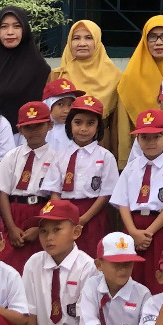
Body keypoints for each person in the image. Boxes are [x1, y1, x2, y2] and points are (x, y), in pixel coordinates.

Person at [5, 199, 96, 325]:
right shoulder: (34, 263)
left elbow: (90, 316)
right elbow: (30, 312)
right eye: (43, 231)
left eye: (57, 230)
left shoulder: (87, 266)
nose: (49, 237)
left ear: (76, 232)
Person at [110, 109, 163, 281]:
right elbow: (122, 202)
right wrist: (133, 232)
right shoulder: (131, 167)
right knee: (132, 275)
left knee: (158, 276)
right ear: (137, 139)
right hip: (133, 225)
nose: (150, 142)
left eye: (156, 137)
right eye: (144, 137)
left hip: (159, 227)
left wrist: (149, 233)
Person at [41, 93, 118, 257]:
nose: (83, 128)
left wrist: (83, 219)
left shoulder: (106, 157)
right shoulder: (59, 155)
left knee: (93, 256)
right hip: (64, 215)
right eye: (78, 122)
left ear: (98, 127)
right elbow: (54, 190)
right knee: (64, 255)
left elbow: (105, 194)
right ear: (69, 124)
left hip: (93, 214)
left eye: (90, 123)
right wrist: (62, 216)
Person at [0, 101, 62, 271]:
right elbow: (2, 193)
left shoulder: (57, 158)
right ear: (20, 130)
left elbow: (54, 197)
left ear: (50, 125)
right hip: (13, 213)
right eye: (28, 127)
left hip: (41, 214)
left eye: (39, 125)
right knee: (9, 262)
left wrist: (40, 227)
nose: (34, 131)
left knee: (40, 265)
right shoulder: (11, 156)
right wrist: (11, 228)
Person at [113, 18, 163, 159]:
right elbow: (123, 127)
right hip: (141, 154)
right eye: (152, 37)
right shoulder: (130, 78)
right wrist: (124, 160)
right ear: (145, 40)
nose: (159, 42)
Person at [0, 7, 50, 122]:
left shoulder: (38, 67)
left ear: (24, 29)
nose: (10, 32)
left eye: (17, 26)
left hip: (25, 130)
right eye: (4, 26)